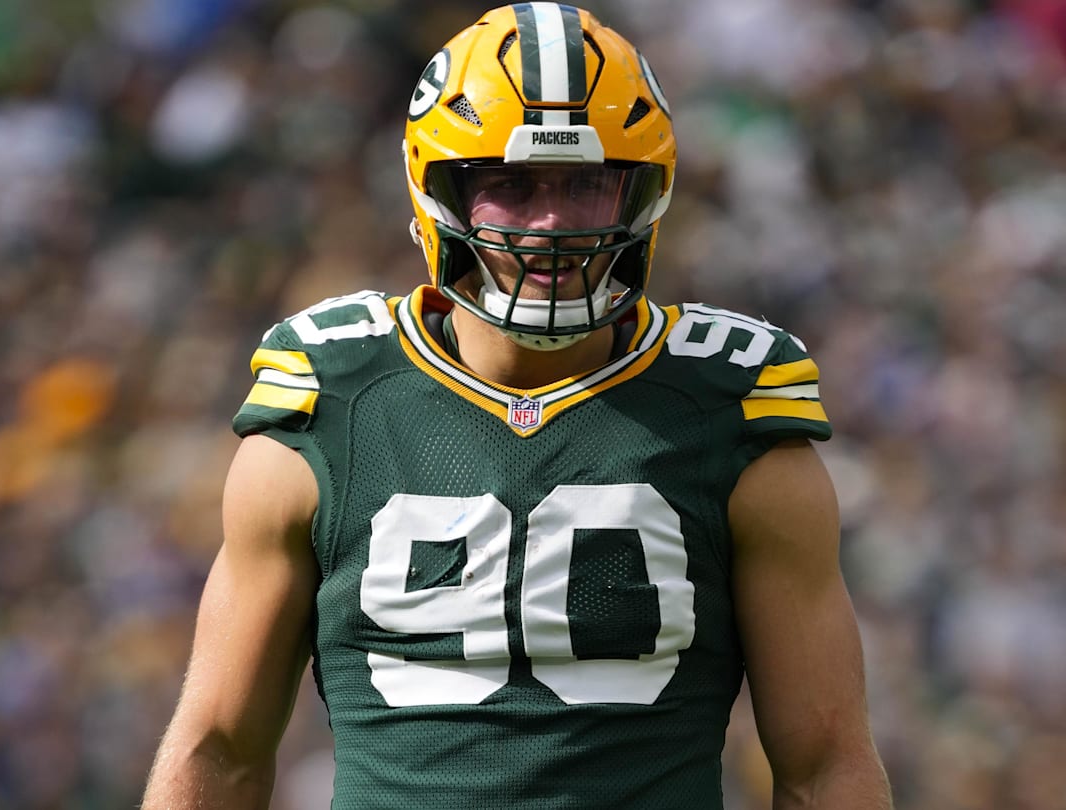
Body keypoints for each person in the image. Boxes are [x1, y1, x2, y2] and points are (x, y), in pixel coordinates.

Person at [143, 3, 892, 808]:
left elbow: (822, 764)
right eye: (510, 184)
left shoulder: (730, 411)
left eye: (585, 185)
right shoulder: (330, 409)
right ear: (439, 188)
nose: (550, 223)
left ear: (641, 193)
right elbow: (219, 750)